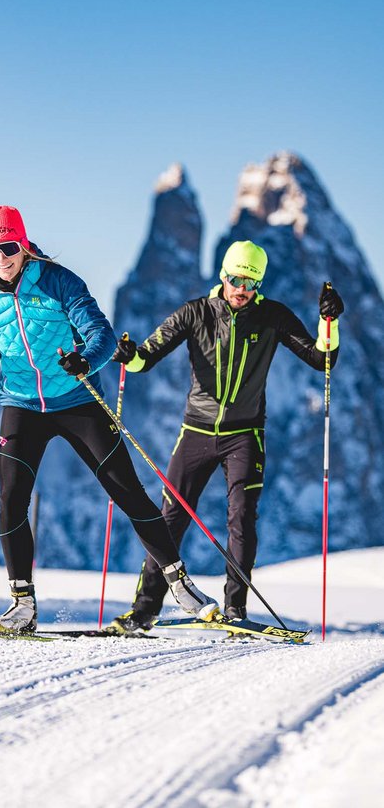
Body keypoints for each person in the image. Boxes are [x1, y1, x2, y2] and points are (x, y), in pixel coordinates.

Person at [0, 204, 219, 633]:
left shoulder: (59, 281)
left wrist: (85, 361)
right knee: (11, 499)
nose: (1, 260)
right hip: (22, 405)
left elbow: (102, 334)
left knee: (127, 491)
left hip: (75, 399)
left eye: (8, 248)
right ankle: (22, 605)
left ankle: (180, 584)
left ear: (24, 245)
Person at [110, 240, 344, 632]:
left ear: (259, 285)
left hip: (245, 434)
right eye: (236, 279)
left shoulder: (272, 316)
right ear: (223, 275)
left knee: (242, 518)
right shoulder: (196, 312)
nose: (241, 289)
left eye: (250, 283)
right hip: (196, 430)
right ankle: (144, 610)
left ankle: (235, 608)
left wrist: (328, 323)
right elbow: (145, 358)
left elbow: (322, 359)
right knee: (169, 519)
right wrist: (129, 354)